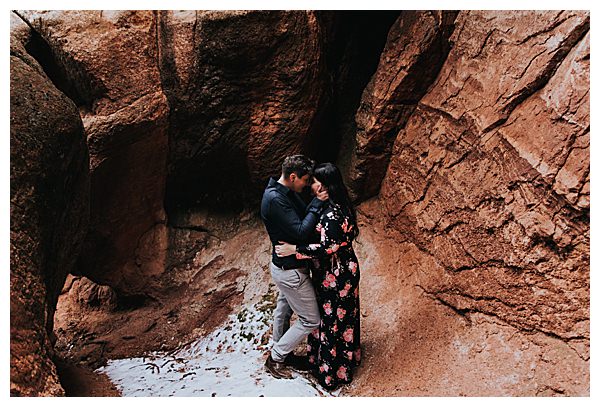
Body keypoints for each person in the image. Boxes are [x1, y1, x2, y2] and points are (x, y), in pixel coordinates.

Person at [275, 162, 361, 390]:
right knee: (338, 318)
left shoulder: (332, 213)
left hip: (336, 274)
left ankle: (332, 374)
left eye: (313, 181)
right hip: (338, 271)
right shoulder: (334, 205)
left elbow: (327, 248)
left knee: (332, 319)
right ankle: (333, 362)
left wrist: (295, 250)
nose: (310, 184)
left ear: (324, 185)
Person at [260, 155, 329, 379]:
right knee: (311, 319)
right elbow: (301, 231)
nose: (307, 185)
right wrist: (318, 203)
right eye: (305, 180)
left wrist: (313, 204)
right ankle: (277, 357)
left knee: (284, 308)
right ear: (292, 177)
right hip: (290, 270)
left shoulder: (283, 191)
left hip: (284, 267)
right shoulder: (275, 199)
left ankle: (281, 349)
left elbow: (302, 215)